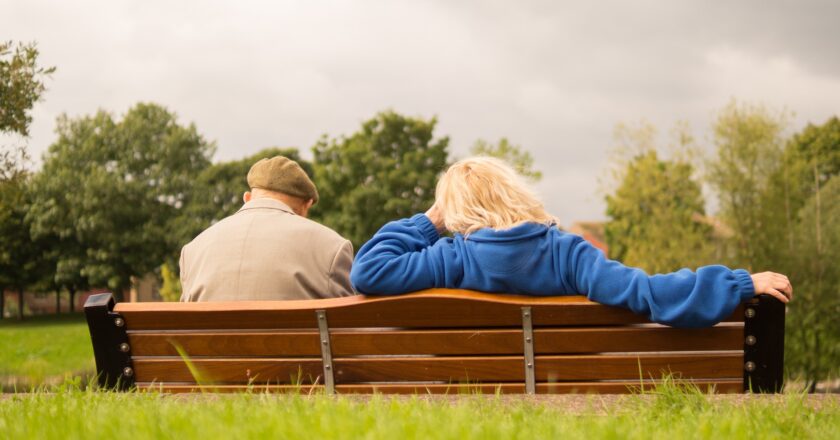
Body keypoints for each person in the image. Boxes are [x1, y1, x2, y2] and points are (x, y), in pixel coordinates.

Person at [350, 157, 792, 328]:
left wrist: (429, 222)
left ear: (457, 212)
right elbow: (646, 292)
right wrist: (737, 284)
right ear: (515, 194)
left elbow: (368, 270)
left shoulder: (449, 258)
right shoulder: (568, 253)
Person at [180, 156, 355, 301]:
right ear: (306, 205)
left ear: (247, 198)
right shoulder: (333, 247)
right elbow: (348, 329)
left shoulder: (192, 250)